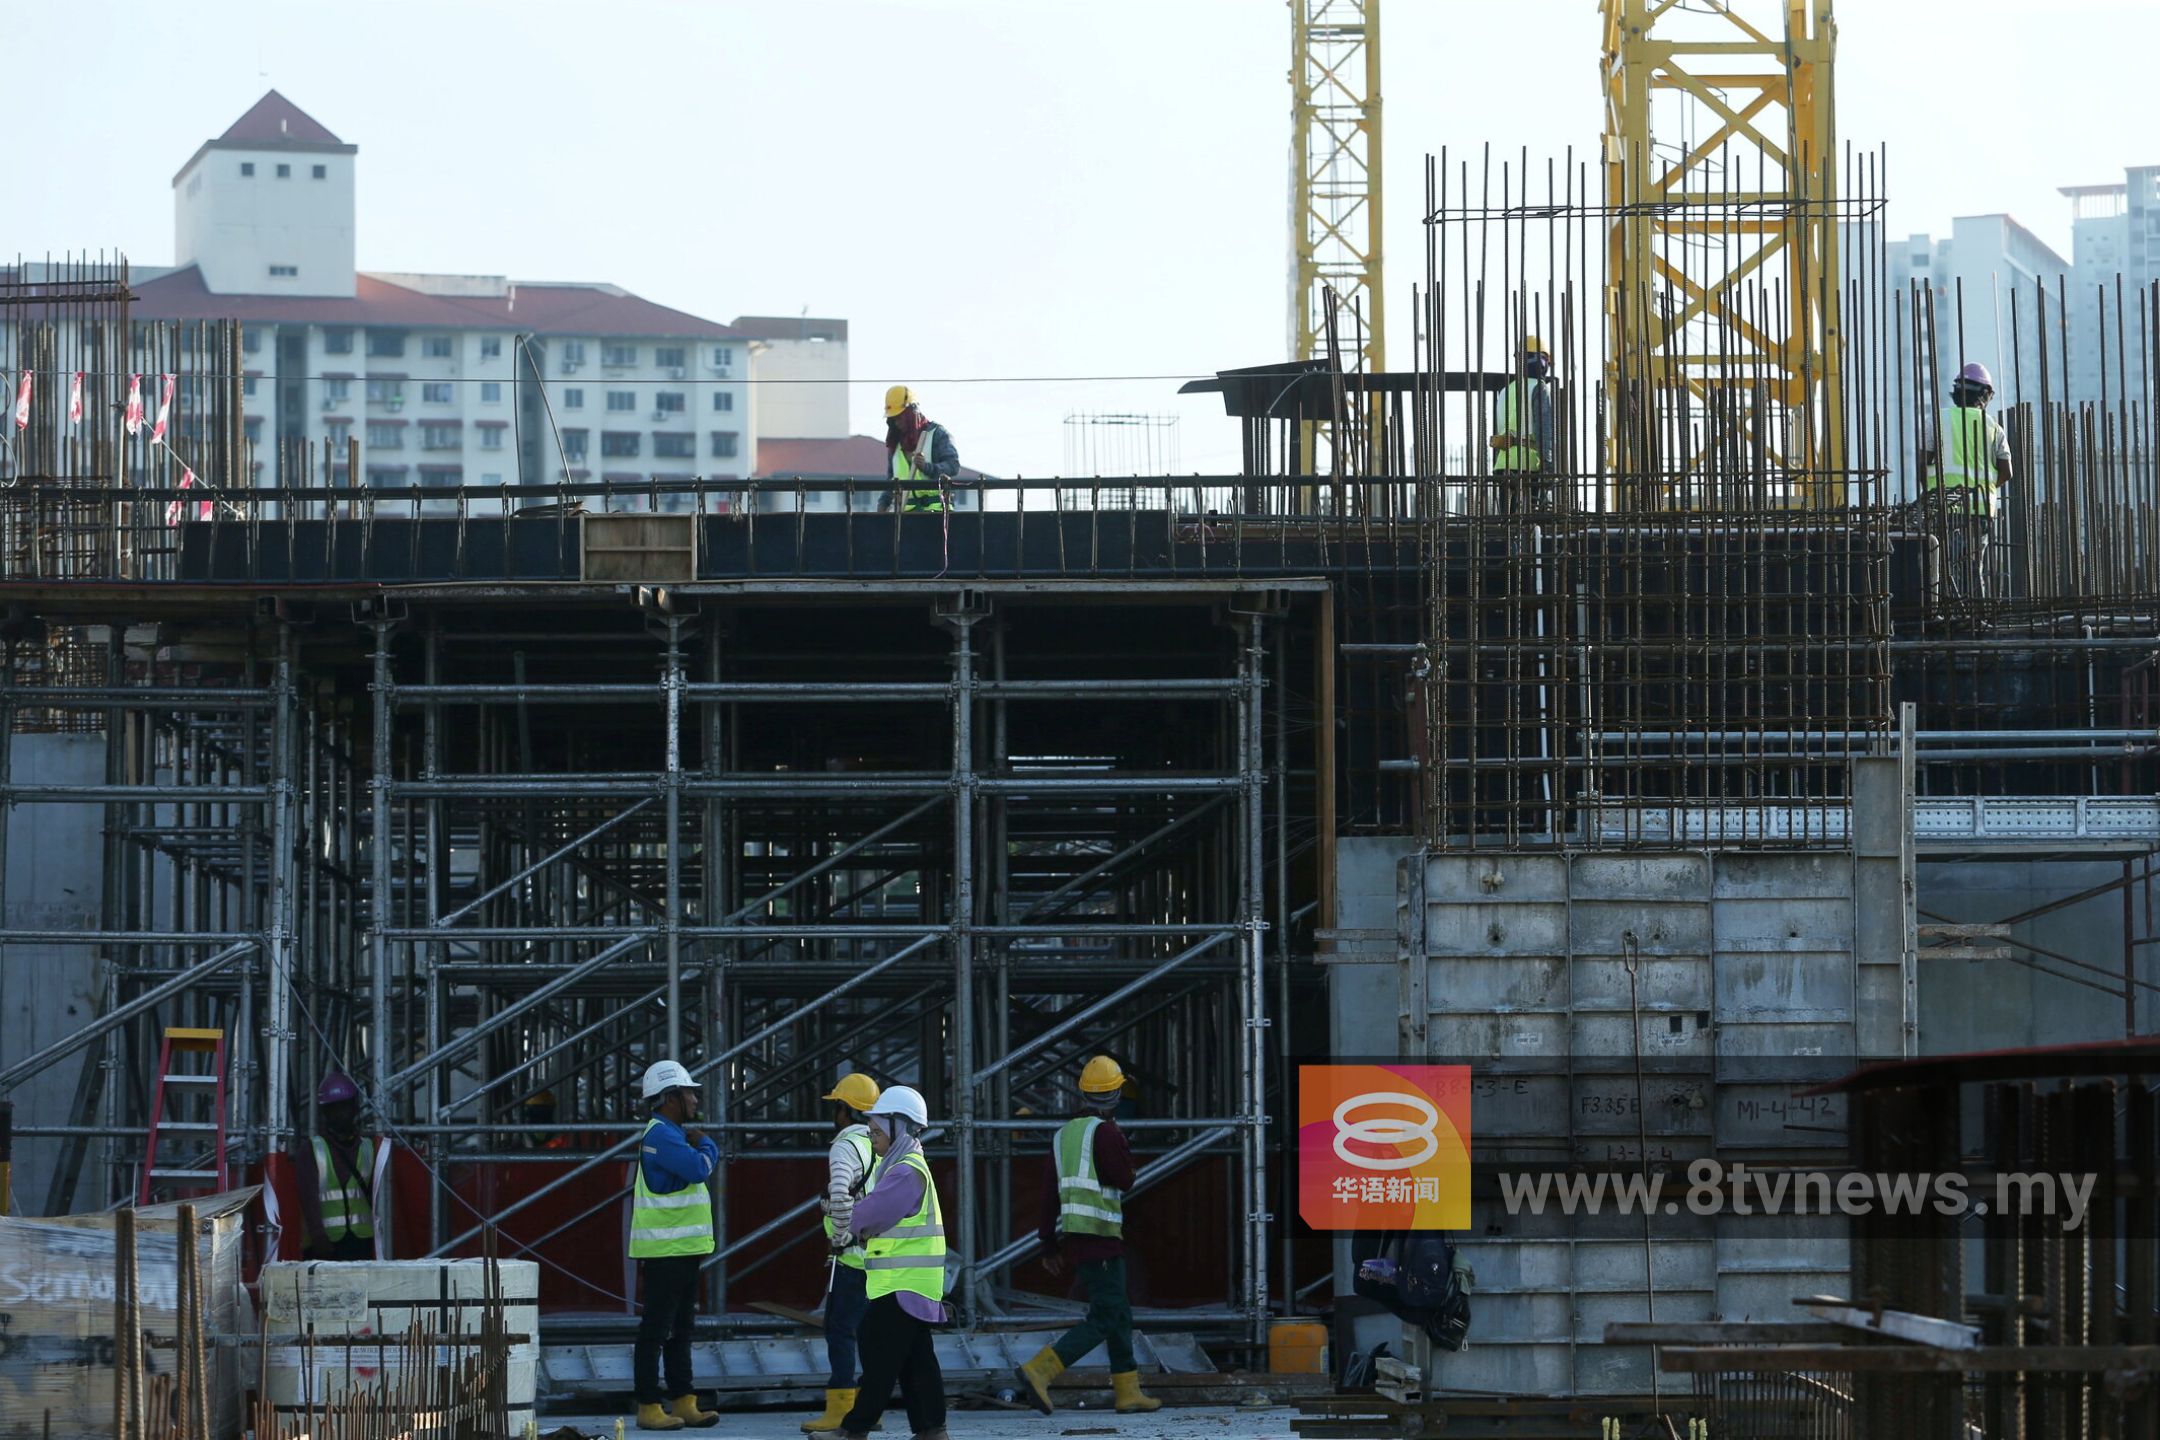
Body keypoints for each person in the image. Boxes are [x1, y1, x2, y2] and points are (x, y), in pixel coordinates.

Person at [1014, 1056, 1160, 1418]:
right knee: (1106, 1315)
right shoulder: (1107, 1132)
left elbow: (1049, 1193)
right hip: (1101, 1237)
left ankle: (1128, 1391)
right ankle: (1042, 1369)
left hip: (1078, 1237)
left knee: (1119, 1312)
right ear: (1114, 1094)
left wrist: (1048, 1243)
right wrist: (1124, 1146)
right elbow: (1125, 1179)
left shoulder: (1064, 1134)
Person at [832, 1085, 947, 1440]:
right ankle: (932, 1429)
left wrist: (844, 1215)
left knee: (877, 1353)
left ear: (900, 1128)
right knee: (917, 1361)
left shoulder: (904, 1172)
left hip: (903, 1284)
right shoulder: (904, 1166)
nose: (873, 1137)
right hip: (910, 1284)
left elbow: (866, 1216)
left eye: (878, 1131)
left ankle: (854, 1429)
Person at [629, 1059, 720, 1431]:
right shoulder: (662, 1135)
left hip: (680, 1252)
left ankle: (684, 1401)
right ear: (670, 1097)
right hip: (666, 1253)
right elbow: (699, 1168)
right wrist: (707, 1143)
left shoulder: (669, 1133)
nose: (696, 1099)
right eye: (689, 1093)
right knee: (657, 1330)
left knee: (681, 1329)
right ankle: (650, 1405)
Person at [803, 1072, 881, 1433]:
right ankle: (869, 1409)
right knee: (869, 1335)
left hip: (851, 1259)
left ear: (845, 1110)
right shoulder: (878, 1143)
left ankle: (841, 1410)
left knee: (839, 1331)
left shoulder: (845, 1146)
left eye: (837, 1106)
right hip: (877, 1257)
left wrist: (839, 1237)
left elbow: (839, 1196)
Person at [1917, 361, 2014, 601]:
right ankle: (1974, 612)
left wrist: (1929, 491)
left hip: (1943, 506)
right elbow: (2007, 471)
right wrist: (1986, 488)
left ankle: (1945, 610)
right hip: (1980, 509)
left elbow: (1923, 462)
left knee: (1943, 564)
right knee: (1973, 565)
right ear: (1986, 395)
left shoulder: (1937, 420)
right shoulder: (1994, 427)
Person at [294, 1073, 383, 1262]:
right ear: (325, 1112)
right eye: (333, 1109)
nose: (340, 1113)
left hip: (362, 1242)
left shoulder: (368, 1147)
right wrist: (318, 1236)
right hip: (325, 1246)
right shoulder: (312, 1149)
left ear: (354, 1108)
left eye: (344, 1107)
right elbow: (308, 1198)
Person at [1489, 335, 1556, 512]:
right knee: (1531, 524)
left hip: (1503, 465)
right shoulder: (1539, 388)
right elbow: (1544, 430)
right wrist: (1548, 467)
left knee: (1508, 526)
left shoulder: (1505, 391)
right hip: (1528, 466)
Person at [883, 385, 961, 514]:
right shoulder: (895, 445)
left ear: (911, 413)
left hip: (936, 515)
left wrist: (927, 467)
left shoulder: (936, 435)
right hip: (906, 518)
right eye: (893, 419)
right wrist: (883, 505)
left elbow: (953, 466)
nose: (896, 422)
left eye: (899, 417)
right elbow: (890, 480)